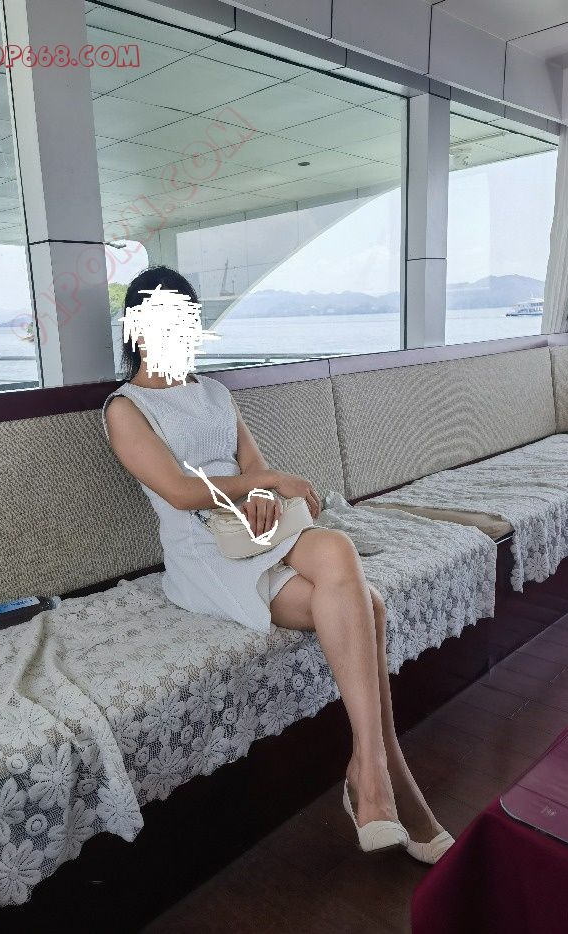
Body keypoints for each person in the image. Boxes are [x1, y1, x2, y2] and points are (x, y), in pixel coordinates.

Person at [103, 265, 454, 862]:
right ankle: (384, 769)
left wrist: (264, 491)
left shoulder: (215, 393)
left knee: (337, 550)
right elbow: (181, 492)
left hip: (260, 528)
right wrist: (264, 483)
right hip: (204, 552)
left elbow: (254, 471)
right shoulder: (125, 408)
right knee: (367, 604)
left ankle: (369, 771)